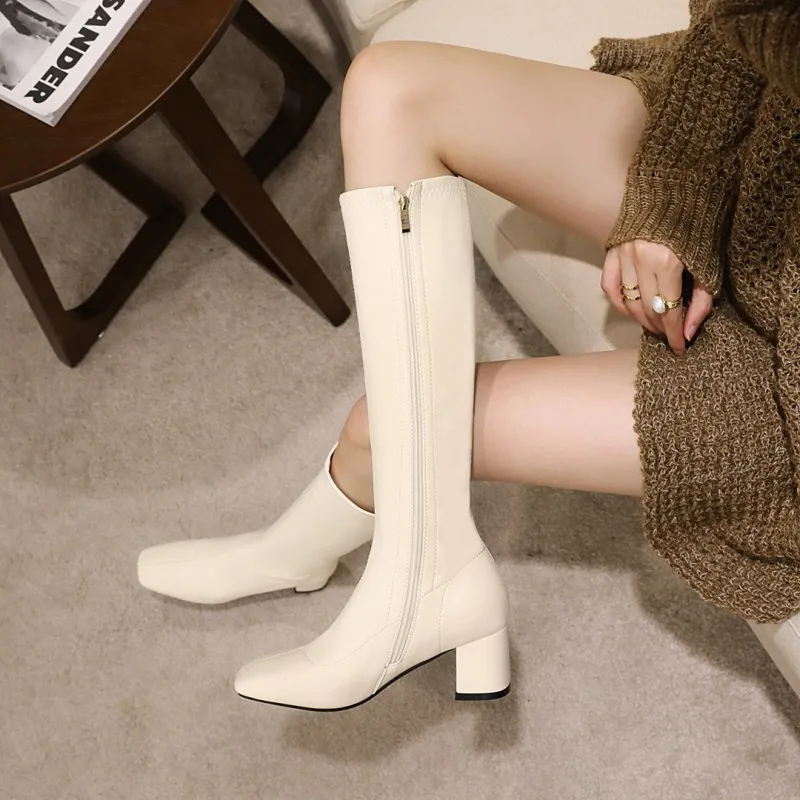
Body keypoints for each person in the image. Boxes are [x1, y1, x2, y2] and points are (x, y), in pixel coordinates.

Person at [137, 0, 800, 711]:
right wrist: (673, 208)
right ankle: (329, 557)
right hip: (774, 156)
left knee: (385, 428)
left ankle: (392, 574)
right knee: (394, 88)